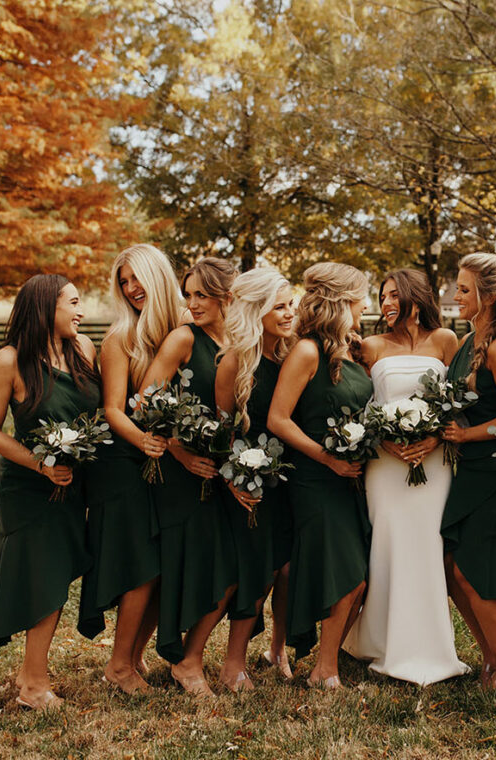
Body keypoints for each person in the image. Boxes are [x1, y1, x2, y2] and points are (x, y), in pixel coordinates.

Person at [0, 274, 100, 710]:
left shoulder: (85, 350)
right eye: (74, 303)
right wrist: (41, 464)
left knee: (58, 574)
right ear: (47, 307)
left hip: (72, 483)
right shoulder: (9, 360)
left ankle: (31, 674)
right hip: (26, 486)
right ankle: (34, 687)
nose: (81, 312)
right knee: (42, 576)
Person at [342, 269, 470, 685]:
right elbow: (362, 405)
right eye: (382, 296)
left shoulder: (446, 340)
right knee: (388, 546)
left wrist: (434, 438)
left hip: (434, 463)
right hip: (385, 463)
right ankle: (379, 640)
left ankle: (430, 646)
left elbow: (454, 402)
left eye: (394, 294)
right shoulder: (370, 346)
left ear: (416, 297)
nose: (386, 302)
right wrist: (384, 441)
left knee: (428, 545)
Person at [77, 244, 181, 694]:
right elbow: (113, 410)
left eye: (137, 278)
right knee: (142, 565)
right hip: (124, 459)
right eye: (124, 281)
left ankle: (134, 657)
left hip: (168, 460)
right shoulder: (121, 338)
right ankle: (118, 665)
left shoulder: (186, 328)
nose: (132, 288)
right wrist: (143, 440)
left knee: (164, 564)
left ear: (159, 277)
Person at [268, 262, 374, 689]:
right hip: (316, 479)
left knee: (359, 577)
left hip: (351, 479)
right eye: (362, 296)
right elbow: (278, 419)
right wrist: (327, 459)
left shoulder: (349, 350)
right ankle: (324, 668)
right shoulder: (306, 350)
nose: (367, 304)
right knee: (349, 574)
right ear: (344, 301)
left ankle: (323, 661)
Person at [141, 257, 239, 696]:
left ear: (227, 297)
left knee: (232, 566)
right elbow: (145, 399)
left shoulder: (240, 340)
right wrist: (179, 451)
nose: (193, 303)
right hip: (181, 475)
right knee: (192, 565)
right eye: (189, 294)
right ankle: (186, 661)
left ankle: (190, 655)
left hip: (226, 470)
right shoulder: (183, 339)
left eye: (202, 294)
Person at [440, 253, 496, 688]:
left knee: (478, 567)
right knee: (454, 565)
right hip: (469, 471)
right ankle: (493, 657)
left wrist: (466, 436)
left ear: (489, 296)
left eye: (463, 289)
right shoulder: (466, 341)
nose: (455, 296)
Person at [213, 267, 297, 689]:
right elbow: (224, 431)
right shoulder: (235, 362)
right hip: (250, 485)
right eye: (278, 307)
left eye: (290, 305)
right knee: (257, 570)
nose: (288, 313)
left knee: (285, 567)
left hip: (291, 478)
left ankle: (277, 649)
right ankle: (232, 664)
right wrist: (234, 480)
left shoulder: (291, 353)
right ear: (255, 310)